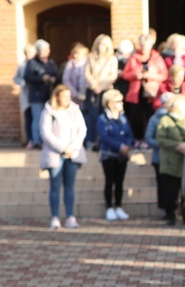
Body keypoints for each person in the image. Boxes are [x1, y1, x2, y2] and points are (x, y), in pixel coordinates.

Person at [39, 84, 87, 230]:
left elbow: (82, 129)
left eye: (69, 95)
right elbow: (45, 133)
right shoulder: (48, 111)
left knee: (69, 187)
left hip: (72, 154)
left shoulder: (74, 110)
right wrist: (62, 148)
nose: (67, 98)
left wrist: (73, 147)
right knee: (55, 186)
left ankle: (70, 217)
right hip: (55, 154)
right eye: (64, 95)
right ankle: (55, 217)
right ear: (57, 96)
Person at [122, 34, 168, 147]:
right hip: (136, 92)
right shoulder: (133, 57)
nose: (144, 48)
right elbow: (125, 74)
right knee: (135, 117)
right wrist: (135, 75)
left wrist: (151, 75)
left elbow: (164, 75)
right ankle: (137, 138)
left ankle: (148, 140)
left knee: (149, 116)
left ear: (151, 45)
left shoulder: (157, 58)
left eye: (146, 45)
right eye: (142, 45)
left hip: (151, 93)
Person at [156, 94, 185, 226]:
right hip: (170, 162)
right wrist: (178, 145)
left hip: (184, 162)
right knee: (170, 190)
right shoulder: (165, 120)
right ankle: (170, 214)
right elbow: (161, 139)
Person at [97, 89, 134, 221]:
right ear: (111, 103)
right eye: (118, 101)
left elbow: (129, 134)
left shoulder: (123, 118)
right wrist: (119, 147)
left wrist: (127, 145)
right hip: (109, 155)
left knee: (119, 182)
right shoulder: (103, 119)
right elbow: (105, 137)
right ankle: (109, 207)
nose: (122, 103)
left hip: (122, 156)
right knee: (110, 181)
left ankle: (118, 206)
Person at [84, 34, 119, 149]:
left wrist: (101, 86)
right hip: (93, 91)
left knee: (106, 116)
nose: (101, 46)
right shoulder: (90, 57)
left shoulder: (112, 59)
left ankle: (105, 141)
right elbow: (86, 73)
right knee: (93, 116)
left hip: (105, 91)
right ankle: (92, 141)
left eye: (104, 44)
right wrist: (94, 85)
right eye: (99, 43)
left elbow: (112, 75)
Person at [24, 39, 58, 149]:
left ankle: (47, 141)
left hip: (49, 95)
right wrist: (41, 78)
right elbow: (27, 77)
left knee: (49, 118)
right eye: (43, 50)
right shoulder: (32, 62)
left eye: (47, 49)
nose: (46, 52)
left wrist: (53, 78)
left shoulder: (51, 62)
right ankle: (37, 141)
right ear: (38, 51)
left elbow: (57, 75)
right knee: (38, 119)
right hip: (37, 95)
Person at [145, 91, 174, 216]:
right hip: (160, 157)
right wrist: (163, 144)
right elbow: (148, 137)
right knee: (163, 184)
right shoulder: (155, 118)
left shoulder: (177, 117)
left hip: (173, 158)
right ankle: (165, 209)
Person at [12, 43, 36, 148]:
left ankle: (38, 140)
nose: (29, 54)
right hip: (26, 94)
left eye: (30, 52)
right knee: (28, 117)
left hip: (36, 94)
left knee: (38, 117)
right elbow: (15, 78)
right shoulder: (22, 65)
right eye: (27, 53)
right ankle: (29, 139)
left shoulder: (37, 63)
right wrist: (23, 82)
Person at [61, 43, 89, 109]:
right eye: (74, 53)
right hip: (73, 95)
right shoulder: (70, 64)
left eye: (78, 53)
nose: (75, 55)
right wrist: (75, 94)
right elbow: (66, 79)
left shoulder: (88, 63)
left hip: (87, 93)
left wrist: (83, 92)